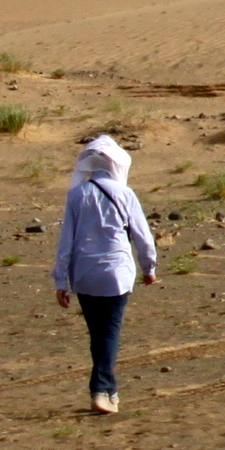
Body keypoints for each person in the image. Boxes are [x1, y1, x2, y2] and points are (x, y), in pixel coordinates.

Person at [51, 132, 159, 415]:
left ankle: (109, 390)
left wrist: (61, 280)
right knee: (108, 332)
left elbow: (66, 241)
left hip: (84, 273)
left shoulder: (76, 195)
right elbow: (143, 237)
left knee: (98, 333)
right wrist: (150, 268)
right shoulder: (126, 194)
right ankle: (102, 390)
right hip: (116, 272)